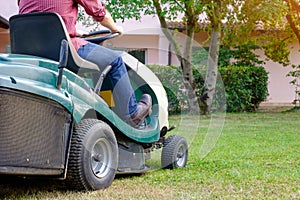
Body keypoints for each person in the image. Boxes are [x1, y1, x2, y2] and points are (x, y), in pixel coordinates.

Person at [17, 0, 152, 128]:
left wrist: (74, 32)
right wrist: (115, 28)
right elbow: (99, 12)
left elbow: (40, 21)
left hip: (33, 52)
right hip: (65, 50)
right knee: (115, 61)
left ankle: (102, 109)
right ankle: (131, 115)